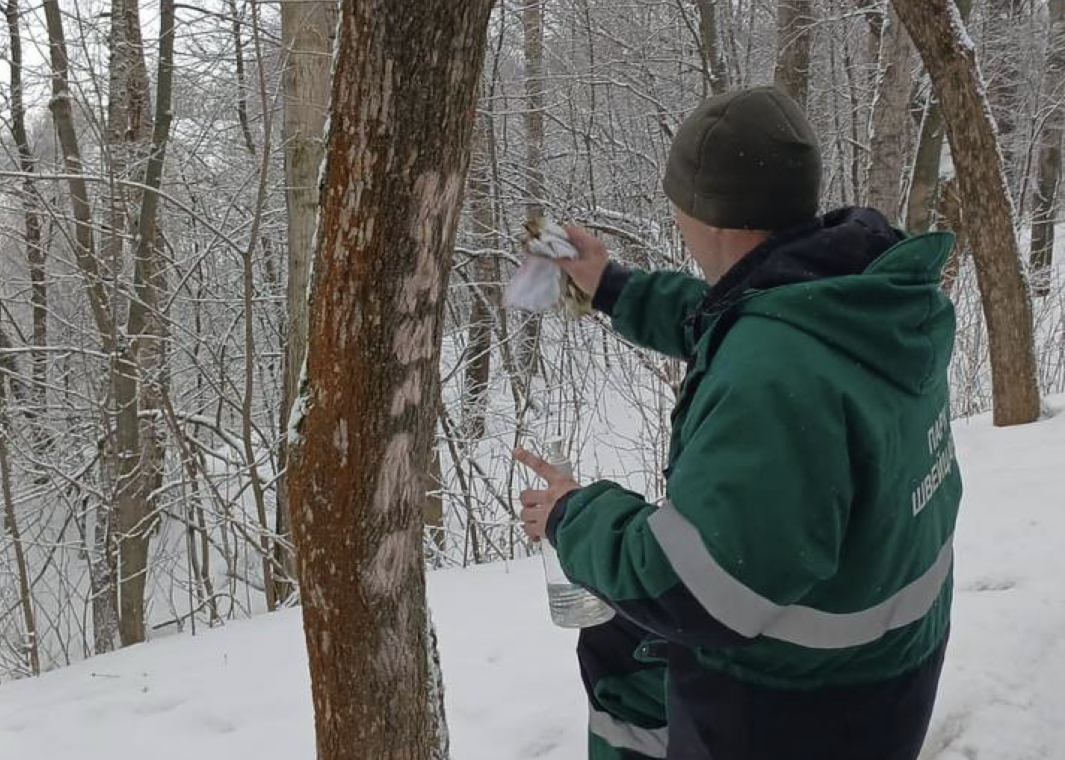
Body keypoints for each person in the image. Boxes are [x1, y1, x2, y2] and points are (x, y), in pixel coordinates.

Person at [514, 86, 962, 760]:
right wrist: (609, 287)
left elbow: (693, 588)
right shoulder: (862, 295)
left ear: (702, 213)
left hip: (793, 712)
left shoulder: (773, 373)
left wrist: (571, 515)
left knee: (623, 631)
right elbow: (734, 323)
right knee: (617, 644)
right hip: (885, 665)